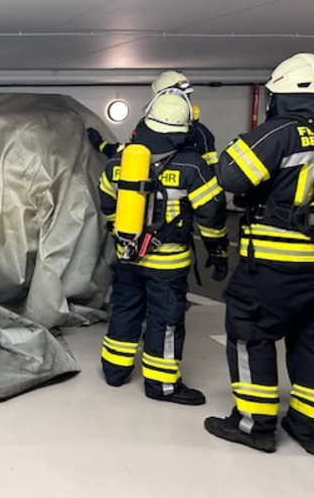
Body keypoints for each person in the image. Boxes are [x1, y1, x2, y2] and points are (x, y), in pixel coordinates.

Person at [204, 53, 314, 455]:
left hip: (275, 262)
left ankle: (255, 425)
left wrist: (236, 147)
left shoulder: (282, 131)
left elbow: (233, 176)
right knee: (309, 340)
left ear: (281, 96)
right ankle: (307, 424)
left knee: (251, 333)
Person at [99, 87, 229, 405]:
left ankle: (114, 371)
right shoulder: (193, 166)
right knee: (165, 321)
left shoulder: (118, 163)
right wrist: (218, 251)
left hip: (127, 258)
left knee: (125, 311)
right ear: (184, 128)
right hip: (167, 265)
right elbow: (211, 214)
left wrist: (125, 238)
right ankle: (161, 386)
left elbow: (106, 205)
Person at [87, 70, 217, 163]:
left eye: (186, 97)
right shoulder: (145, 126)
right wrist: (102, 145)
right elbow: (132, 151)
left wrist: (102, 145)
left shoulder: (199, 133)